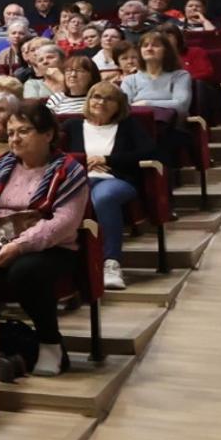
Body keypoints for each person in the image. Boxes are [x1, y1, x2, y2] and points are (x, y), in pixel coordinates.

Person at [0, 104, 90, 377]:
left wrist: (19, 246)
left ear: (48, 134)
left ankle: (50, 343)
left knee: (24, 271)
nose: (14, 138)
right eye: (11, 132)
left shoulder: (68, 170)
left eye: (24, 131)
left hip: (52, 248)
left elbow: (63, 223)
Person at [65, 82, 156, 291]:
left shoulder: (129, 126)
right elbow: (55, 155)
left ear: (119, 105)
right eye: (96, 96)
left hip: (116, 181)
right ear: (88, 100)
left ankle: (111, 264)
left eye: (109, 98)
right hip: (82, 180)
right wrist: (82, 160)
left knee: (103, 197)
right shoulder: (72, 126)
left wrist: (108, 160)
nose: (101, 102)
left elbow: (150, 152)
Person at [120, 31, 192, 113]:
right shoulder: (129, 80)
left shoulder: (180, 76)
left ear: (166, 51)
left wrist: (146, 104)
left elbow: (181, 105)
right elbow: (124, 109)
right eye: (145, 45)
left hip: (170, 124)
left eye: (155, 45)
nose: (149, 49)